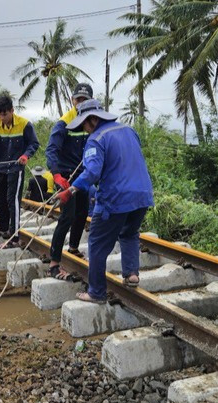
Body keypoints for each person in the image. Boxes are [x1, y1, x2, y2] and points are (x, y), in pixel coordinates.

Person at [57, 99, 154, 303]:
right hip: (142, 194)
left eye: (84, 124)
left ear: (92, 119)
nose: (84, 129)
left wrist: (72, 189)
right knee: (129, 233)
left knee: (97, 243)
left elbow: (92, 172)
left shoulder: (96, 139)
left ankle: (96, 292)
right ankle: (131, 274)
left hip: (115, 198)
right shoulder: (128, 130)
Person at [45, 83, 93, 280]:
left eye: (85, 99)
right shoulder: (64, 123)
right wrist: (57, 175)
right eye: (78, 99)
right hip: (66, 176)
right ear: (72, 101)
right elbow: (51, 150)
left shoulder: (93, 121)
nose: (80, 103)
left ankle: (73, 248)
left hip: (84, 175)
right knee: (68, 215)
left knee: (82, 213)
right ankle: (54, 262)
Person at [0, 96, 41, 248]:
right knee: (0, 199)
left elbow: (34, 143)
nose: (2, 118)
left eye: (5, 114)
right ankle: (3, 229)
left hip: (16, 168)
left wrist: (25, 155)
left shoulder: (24, 124)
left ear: (12, 110)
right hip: (1, 168)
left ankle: (14, 237)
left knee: (13, 200)